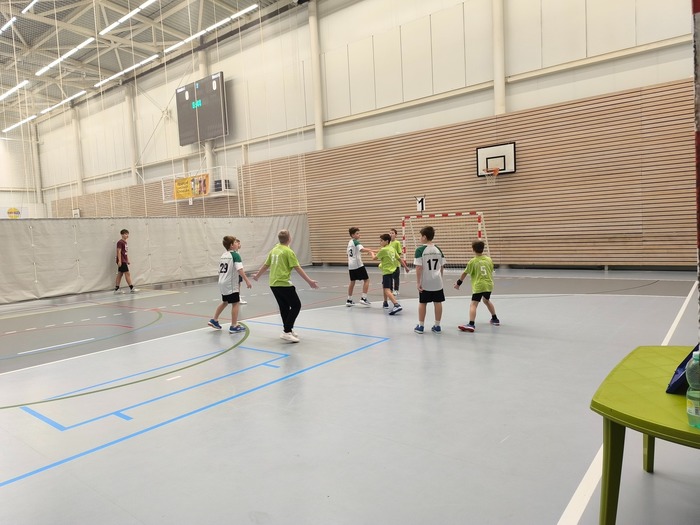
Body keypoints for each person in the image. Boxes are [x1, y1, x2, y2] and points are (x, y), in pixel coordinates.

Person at [253, 229, 318, 343]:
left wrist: (257, 276)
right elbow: (297, 268)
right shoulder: (288, 252)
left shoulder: (274, 250)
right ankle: (286, 331)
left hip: (273, 284)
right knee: (296, 305)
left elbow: (266, 265)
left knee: (284, 307)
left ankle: (288, 330)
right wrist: (309, 281)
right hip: (283, 283)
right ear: (289, 239)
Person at [208, 236, 252, 334]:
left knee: (225, 301)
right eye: (236, 242)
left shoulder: (223, 255)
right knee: (236, 303)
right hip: (230, 283)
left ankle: (214, 320)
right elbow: (240, 269)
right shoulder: (235, 255)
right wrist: (247, 280)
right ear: (231, 245)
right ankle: (234, 325)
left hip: (222, 281)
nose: (237, 244)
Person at [454, 240, 500, 332]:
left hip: (479, 285)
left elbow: (464, 273)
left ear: (473, 249)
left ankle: (471, 324)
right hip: (489, 285)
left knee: (473, 304)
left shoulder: (473, 261)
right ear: (483, 249)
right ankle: (495, 319)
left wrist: (458, 283)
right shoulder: (489, 259)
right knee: (486, 300)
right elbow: (491, 270)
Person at [413, 226, 445, 334]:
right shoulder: (438, 249)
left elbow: (418, 267)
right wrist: (440, 278)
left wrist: (418, 282)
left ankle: (421, 326)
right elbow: (442, 266)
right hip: (437, 281)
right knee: (438, 302)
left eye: (420, 236)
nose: (420, 238)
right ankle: (437, 326)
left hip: (425, 282)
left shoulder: (420, 250)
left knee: (423, 303)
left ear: (424, 237)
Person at [372, 233, 402, 315]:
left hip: (386, 272)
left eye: (381, 241)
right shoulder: (391, 249)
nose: (380, 242)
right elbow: (399, 258)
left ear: (386, 241)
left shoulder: (384, 250)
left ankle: (396, 305)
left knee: (387, 290)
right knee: (386, 288)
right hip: (391, 271)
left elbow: (374, 258)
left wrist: (371, 253)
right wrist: (405, 267)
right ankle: (385, 303)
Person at [346, 227, 374, 307]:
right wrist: (371, 250)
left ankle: (349, 300)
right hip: (358, 265)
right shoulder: (355, 242)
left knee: (352, 282)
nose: (359, 235)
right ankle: (363, 298)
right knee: (366, 280)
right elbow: (362, 249)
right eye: (357, 233)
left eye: (359, 233)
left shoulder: (349, 243)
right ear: (352, 235)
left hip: (351, 265)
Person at [114, 229, 137, 293]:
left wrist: (127, 260)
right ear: (122, 235)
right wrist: (119, 261)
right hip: (121, 260)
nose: (127, 235)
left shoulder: (125, 242)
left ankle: (116, 289)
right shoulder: (120, 242)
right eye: (125, 234)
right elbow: (119, 252)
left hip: (124, 260)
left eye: (127, 234)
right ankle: (131, 287)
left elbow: (125, 252)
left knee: (120, 274)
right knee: (127, 273)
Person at [389, 228, 410, 297]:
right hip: (389, 264)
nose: (391, 234)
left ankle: (396, 290)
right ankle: (390, 289)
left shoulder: (397, 243)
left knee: (396, 278)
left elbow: (399, 252)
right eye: (390, 233)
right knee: (390, 277)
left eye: (392, 233)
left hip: (396, 264)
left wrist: (394, 256)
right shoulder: (388, 243)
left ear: (396, 235)